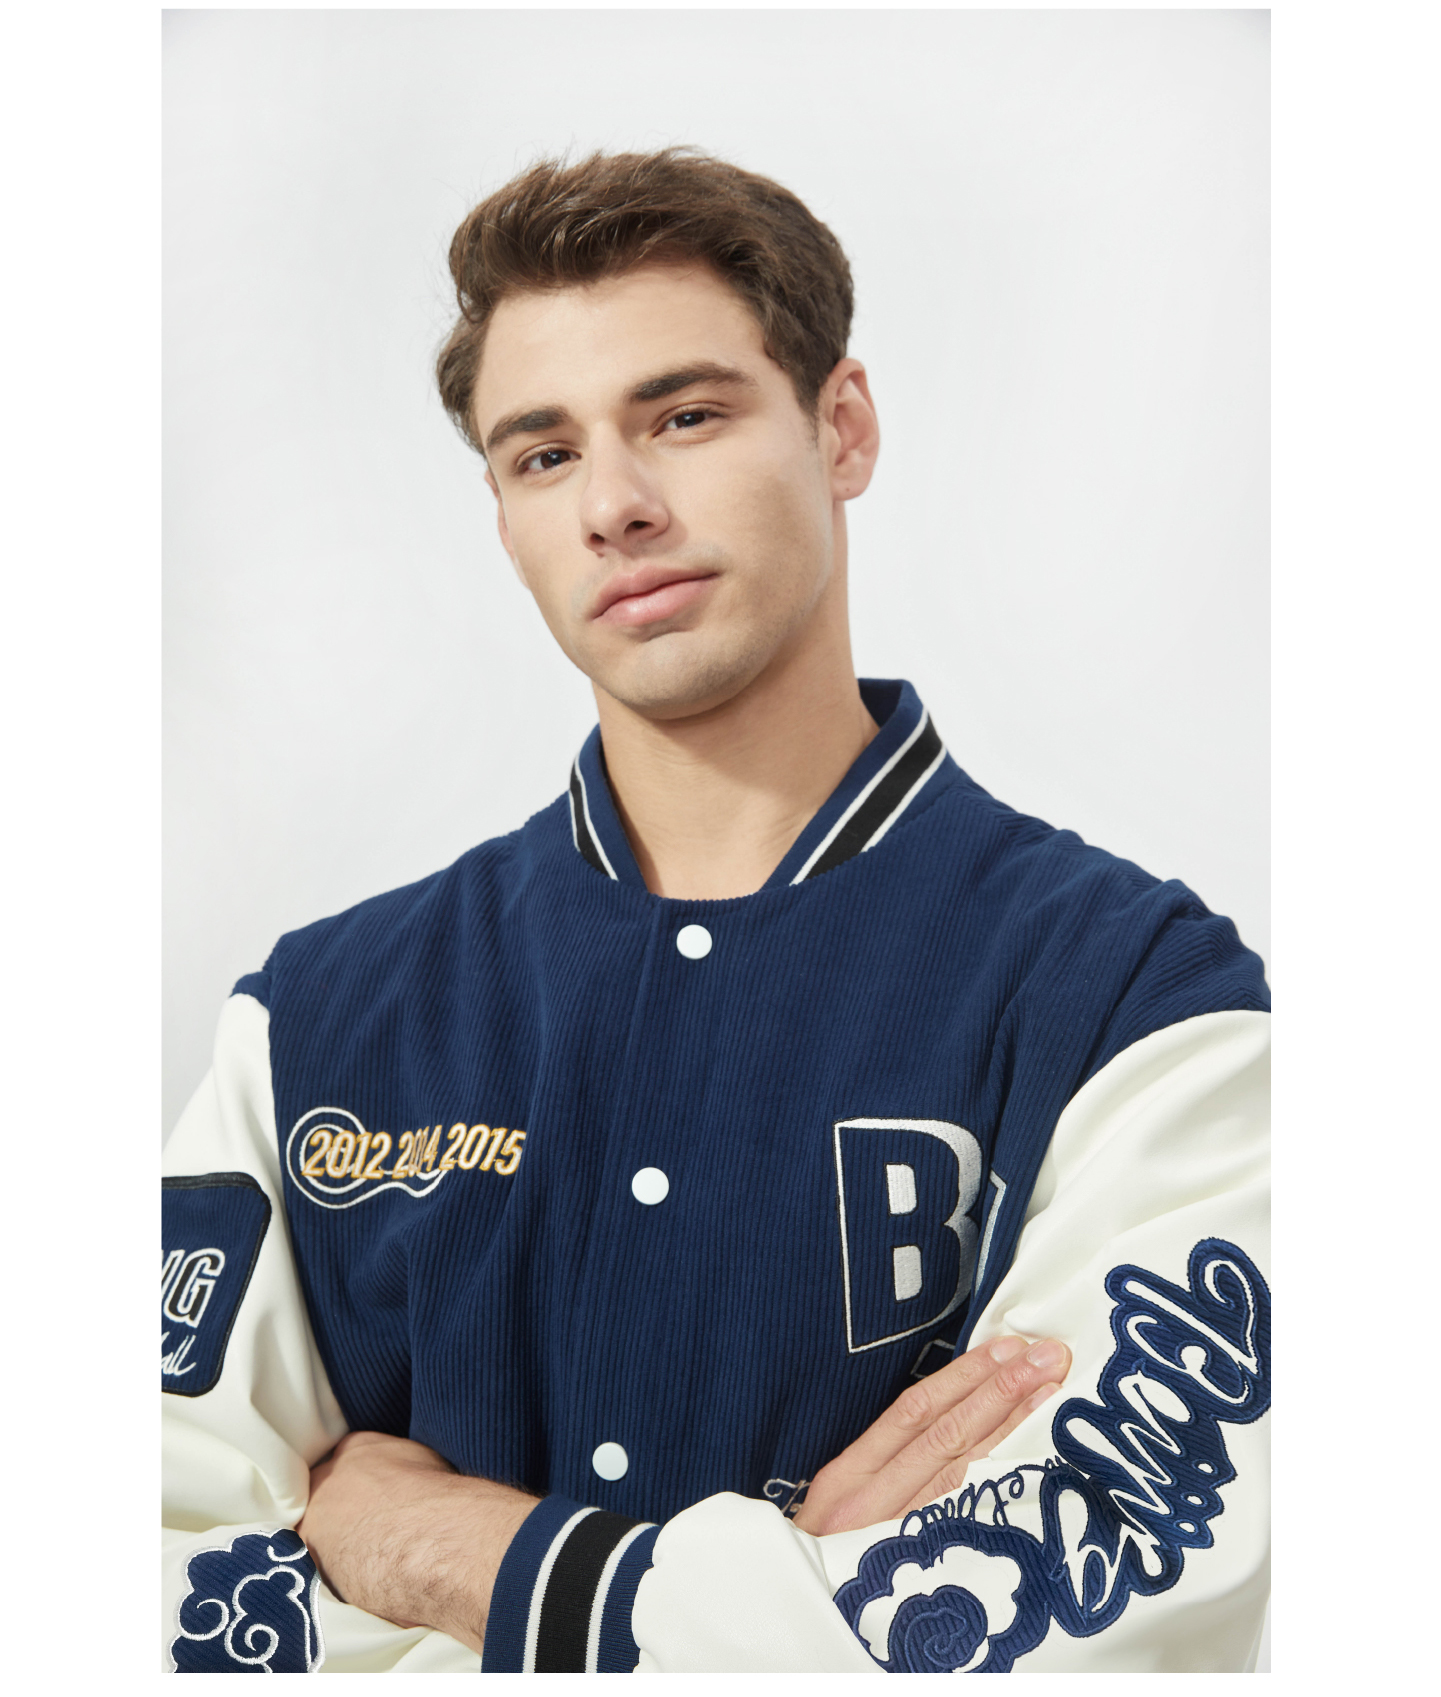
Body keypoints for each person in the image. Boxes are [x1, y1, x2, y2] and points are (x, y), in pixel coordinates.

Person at [161, 148, 1269, 1674]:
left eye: (684, 416)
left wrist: (441, 1550)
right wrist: (785, 1601)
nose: (614, 505)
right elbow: (128, 1577)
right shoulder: (312, 1021)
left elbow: (1096, 1609)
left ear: (841, 426)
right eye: (542, 453)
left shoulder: (1141, 1001)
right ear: (499, 511)